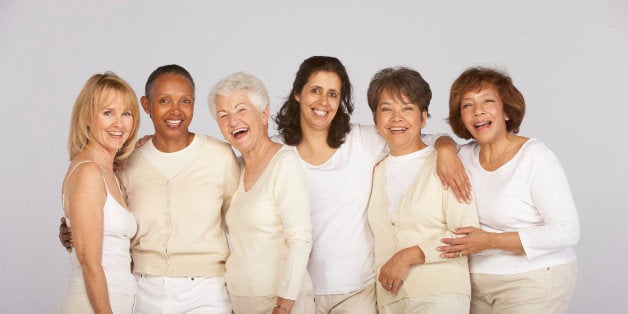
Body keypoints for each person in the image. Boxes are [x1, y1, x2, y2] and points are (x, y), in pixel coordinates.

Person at [274, 56, 471, 313]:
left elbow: (416, 138)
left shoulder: (360, 141)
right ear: (298, 94)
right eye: (315, 91)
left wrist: (446, 149)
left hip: (358, 289)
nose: (323, 102)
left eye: (333, 94)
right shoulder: (277, 152)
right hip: (299, 289)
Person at [60, 65, 240, 313]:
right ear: (146, 105)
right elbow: (100, 225)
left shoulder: (219, 156)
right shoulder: (126, 164)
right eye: (164, 100)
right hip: (144, 292)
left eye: (185, 101)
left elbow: (243, 223)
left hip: (205, 292)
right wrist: (72, 232)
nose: (175, 110)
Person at [438, 67, 580, 313]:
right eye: (467, 105)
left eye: (488, 101)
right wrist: (445, 149)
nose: (478, 111)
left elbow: (566, 231)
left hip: (533, 278)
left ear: (506, 111)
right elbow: (425, 139)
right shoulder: (463, 156)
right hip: (474, 282)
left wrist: (490, 241)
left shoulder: (534, 157)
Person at [365, 67, 479, 313]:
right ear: (375, 121)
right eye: (386, 109)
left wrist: (408, 256)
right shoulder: (374, 171)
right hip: (390, 300)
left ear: (424, 117)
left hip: (441, 295)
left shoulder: (446, 163)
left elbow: (466, 233)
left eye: (407, 108)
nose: (397, 118)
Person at [208, 72, 314, 314]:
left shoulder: (285, 163)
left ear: (264, 114)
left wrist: (283, 306)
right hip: (241, 300)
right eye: (223, 115)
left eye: (241, 110)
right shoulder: (234, 168)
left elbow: (300, 241)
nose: (232, 121)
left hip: (283, 303)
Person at [58, 72, 140, 314]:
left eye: (126, 113)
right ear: (87, 118)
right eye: (108, 113)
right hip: (92, 306)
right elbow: (90, 263)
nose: (119, 123)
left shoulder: (109, 172)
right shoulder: (89, 172)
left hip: (117, 302)